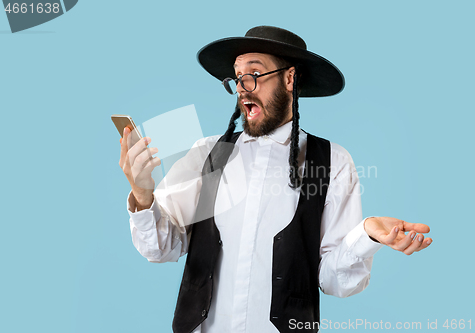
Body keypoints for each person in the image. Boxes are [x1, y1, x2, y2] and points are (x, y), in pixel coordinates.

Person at [119, 26, 432, 333]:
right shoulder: (206, 153)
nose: (243, 87)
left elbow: (335, 282)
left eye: (254, 74)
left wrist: (366, 235)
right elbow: (161, 249)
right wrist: (143, 196)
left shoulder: (333, 161)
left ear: (290, 78)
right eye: (237, 76)